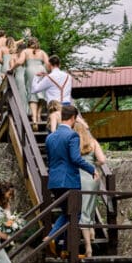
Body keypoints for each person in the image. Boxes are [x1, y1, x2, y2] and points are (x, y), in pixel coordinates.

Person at [45, 104, 97, 254]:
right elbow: (75, 158)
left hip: (54, 181)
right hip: (68, 180)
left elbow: (51, 160)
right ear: (73, 118)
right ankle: (53, 237)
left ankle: (65, 250)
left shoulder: (50, 137)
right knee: (76, 213)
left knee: (67, 213)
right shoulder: (72, 135)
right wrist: (91, 169)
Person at [73, 119, 107, 258]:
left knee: (83, 210)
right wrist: (93, 164)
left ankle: (88, 247)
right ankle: (91, 231)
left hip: (79, 178)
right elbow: (103, 160)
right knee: (91, 205)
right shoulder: (93, 142)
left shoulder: (74, 143)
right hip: (93, 178)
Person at [30, 56, 71, 132]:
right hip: (67, 106)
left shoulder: (49, 77)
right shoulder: (68, 77)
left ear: (49, 65)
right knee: (68, 131)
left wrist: (36, 77)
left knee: (53, 131)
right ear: (60, 64)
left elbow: (34, 90)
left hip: (54, 107)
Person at [23, 37, 50, 126]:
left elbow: (19, 62)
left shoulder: (25, 51)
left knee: (32, 95)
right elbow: (48, 64)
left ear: (28, 44)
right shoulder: (42, 52)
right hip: (41, 71)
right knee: (42, 94)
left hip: (30, 71)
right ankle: (38, 115)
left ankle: (34, 119)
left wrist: (11, 68)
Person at [9, 40, 30, 110]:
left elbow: (11, 68)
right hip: (28, 76)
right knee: (28, 93)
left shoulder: (13, 57)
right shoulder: (28, 57)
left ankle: (21, 110)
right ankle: (28, 111)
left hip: (19, 77)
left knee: (20, 93)